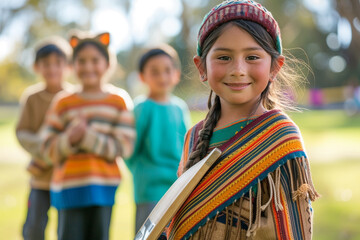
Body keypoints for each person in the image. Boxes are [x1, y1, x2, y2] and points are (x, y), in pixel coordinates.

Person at [166, 1, 320, 239]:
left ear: (274, 67)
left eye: (252, 57)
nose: (238, 69)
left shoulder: (280, 138)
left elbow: (292, 228)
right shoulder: (193, 138)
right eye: (224, 57)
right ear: (201, 67)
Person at [40, 31, 135, 240]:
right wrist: (70, 139)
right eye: (81, 61)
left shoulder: (118, 101)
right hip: (68, 189)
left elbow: (125, 147)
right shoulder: (63, 102)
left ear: (107, 64)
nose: (88, 66)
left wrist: (88, 138)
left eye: (95, 60)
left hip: (103, 190)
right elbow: (46, 149)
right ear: (72, 65)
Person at [126, 45, 191, 233]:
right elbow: (131, 150)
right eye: (154, 72)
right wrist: (144, 175)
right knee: (149, 235)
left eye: (167, 70)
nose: (162, 77)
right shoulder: (141, 108)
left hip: (177, 188)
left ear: (176, 74)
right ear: (142, 76)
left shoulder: (180, 108)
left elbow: (186, 147)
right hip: (149, 190)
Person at [16, 36, 72, 240]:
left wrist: (61, 149)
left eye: (58, 63)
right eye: (46, 64)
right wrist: (45, 150)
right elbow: (22, 132)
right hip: (39, 177)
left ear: (68, 66)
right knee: (33, 227)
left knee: (65, 228)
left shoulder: (73, 97)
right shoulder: (32, 97)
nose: (52, 69)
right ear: (36, 67)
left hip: (66, 177)